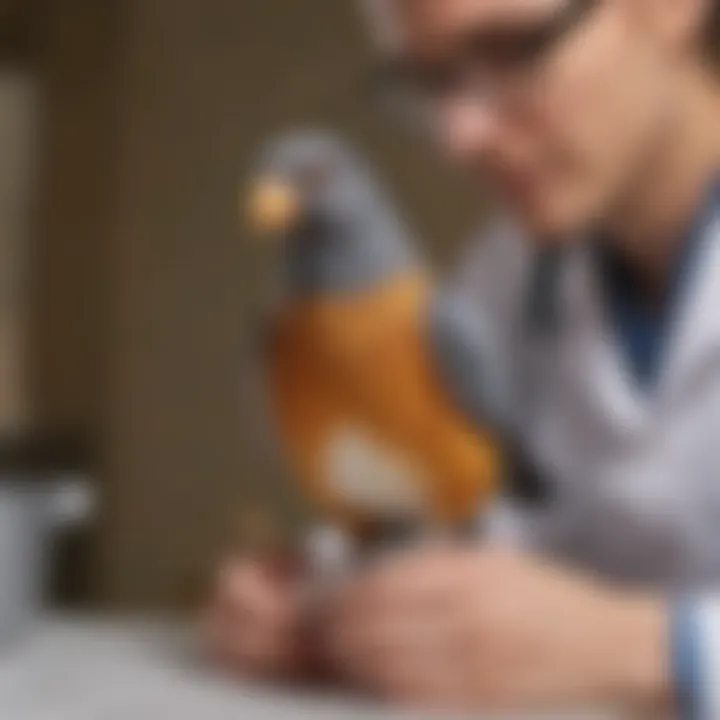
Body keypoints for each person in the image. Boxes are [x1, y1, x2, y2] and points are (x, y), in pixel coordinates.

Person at [205, 0, 720, 716]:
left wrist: (656, 653)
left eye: (516, 50)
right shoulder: (507, 274)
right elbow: (479, 516)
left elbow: (600, 634)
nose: (460, 135)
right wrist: (329, 593)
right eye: (433, 83)